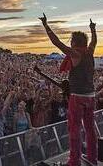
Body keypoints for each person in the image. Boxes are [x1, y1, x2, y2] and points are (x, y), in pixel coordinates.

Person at [39, 13, 97, 166]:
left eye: (71, 41)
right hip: (91, 96)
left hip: (77, 97)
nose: (69, 43)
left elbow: (57, 43)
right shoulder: (90, 52)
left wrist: (46, 26)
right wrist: (93, 30)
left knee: (74, 129)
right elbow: (94, 41)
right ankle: (92, 157)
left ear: (74, 42)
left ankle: (74, 161)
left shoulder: (76, 53)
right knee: (90, 129)